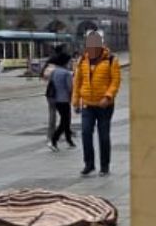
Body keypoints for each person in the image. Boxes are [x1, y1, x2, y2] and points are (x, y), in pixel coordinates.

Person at [74, 31, 121, 177]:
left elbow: (115, 81)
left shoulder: (111, 60)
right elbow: (77, 81)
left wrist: (108, 96)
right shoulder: (83, 60)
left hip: (104, 105)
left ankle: (104, 166)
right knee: (86, 133)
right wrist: (75, 101)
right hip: (87, 104)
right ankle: (89, 164)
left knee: (104, 136)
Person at [44, 50, 75, 150]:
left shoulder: (54, 72)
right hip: (64, 100)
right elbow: (70, 88)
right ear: (65, 62)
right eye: (69, 61)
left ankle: (69, 140)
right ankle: (54, 140)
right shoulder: (66, 73)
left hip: (56, 100)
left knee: (65, 120)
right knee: (65, 121)